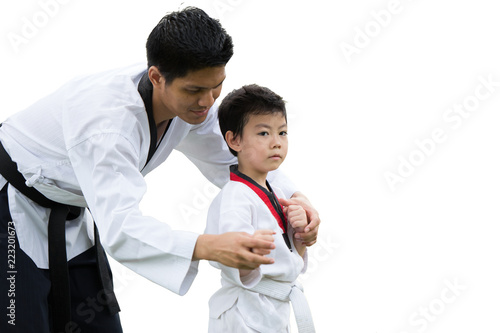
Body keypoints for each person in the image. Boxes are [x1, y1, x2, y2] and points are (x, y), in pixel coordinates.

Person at [0, 7, 320, 333]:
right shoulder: (107, 124)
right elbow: (122, 227)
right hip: (10, 208)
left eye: (217, 86)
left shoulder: (196, 103)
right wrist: (208, 245)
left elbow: (239, 163)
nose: (207, 102)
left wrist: (296, 200)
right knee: (21, 322)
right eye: (195, 90)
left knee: (100, 325)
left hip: (71, 217)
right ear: (156, 77)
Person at [205, 84, 315, 333]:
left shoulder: (277, 193)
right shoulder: (235, 199)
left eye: (283, 133)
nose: (276, 143)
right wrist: (250, 249)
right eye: (264, 133)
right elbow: (235, 259)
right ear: (234, 140)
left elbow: (289, 261)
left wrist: (299, 236)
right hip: (244, 311)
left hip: (271, 310)